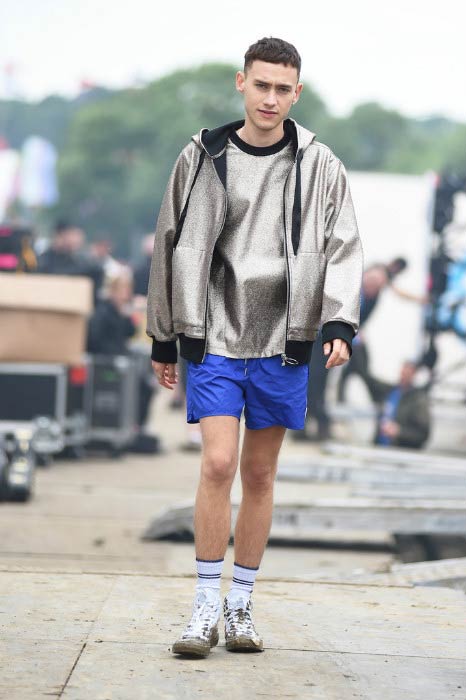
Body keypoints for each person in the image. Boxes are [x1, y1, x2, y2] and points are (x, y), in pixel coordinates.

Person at [146, 37, 363, 657]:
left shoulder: (320, 164)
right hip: (214, 330)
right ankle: (204, 606)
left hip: (285, 336)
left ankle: (241, 605)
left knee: (260, 472)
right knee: (217, 464)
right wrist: (164, 333)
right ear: (240, 83)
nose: (270, 98)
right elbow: (169, 238)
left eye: (282, 88)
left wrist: (339, 323)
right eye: (260, 84)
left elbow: (344, 242)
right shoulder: (201, 155)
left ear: (297, 93)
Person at [373, 361, 431, 449]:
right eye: (402, 373)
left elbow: (422, 435)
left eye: (407, 374)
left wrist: (399, 432)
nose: (403, 377)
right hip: (380, 448)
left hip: (401, 453)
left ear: (413, 375)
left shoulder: (418, 400)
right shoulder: (391, 392)